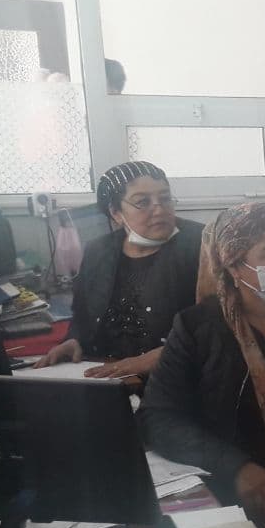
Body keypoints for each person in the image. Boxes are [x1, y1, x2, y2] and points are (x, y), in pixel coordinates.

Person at [139, 203, 265, 517]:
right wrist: (237, 468)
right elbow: (160, 417)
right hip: (234, 494)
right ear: (234, 266)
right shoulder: (197, 328)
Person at [35, 162, 204, 379]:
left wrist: (158, 357)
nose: (160, 209)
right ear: (116, 213)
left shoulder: (202, 245)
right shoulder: (98, 251)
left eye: (165, 198)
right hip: (106, 371)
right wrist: (74, 340)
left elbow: (220, 326)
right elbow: (83, 315)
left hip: (174, 375)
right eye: (143, 202)